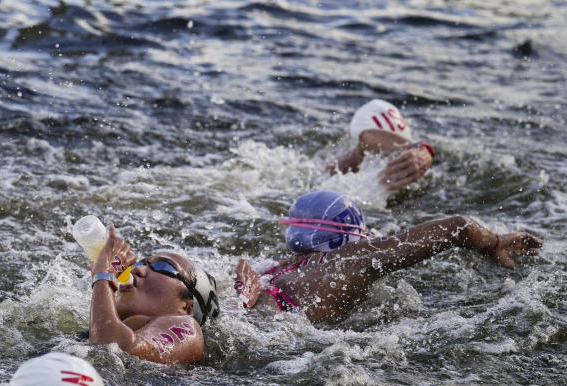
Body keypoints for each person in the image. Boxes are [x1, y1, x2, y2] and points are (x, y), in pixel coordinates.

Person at [235, 205, 542, 324]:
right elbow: (458, 226)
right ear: (354, 238)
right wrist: (492, 242)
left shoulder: (271, 270)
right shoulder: (350, 260)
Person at [87, 225, 220, 365]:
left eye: (163, 266)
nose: (137, 269)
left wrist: (103, 276)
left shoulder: (189, 328)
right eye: (140, 262)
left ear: (187, 308)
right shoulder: (94, 328)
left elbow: (112, 353)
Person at [328, 99, 435, 192]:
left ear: (350, 134)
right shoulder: (341, 163)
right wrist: (421, 149)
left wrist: (420, 151)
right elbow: (366, 137)